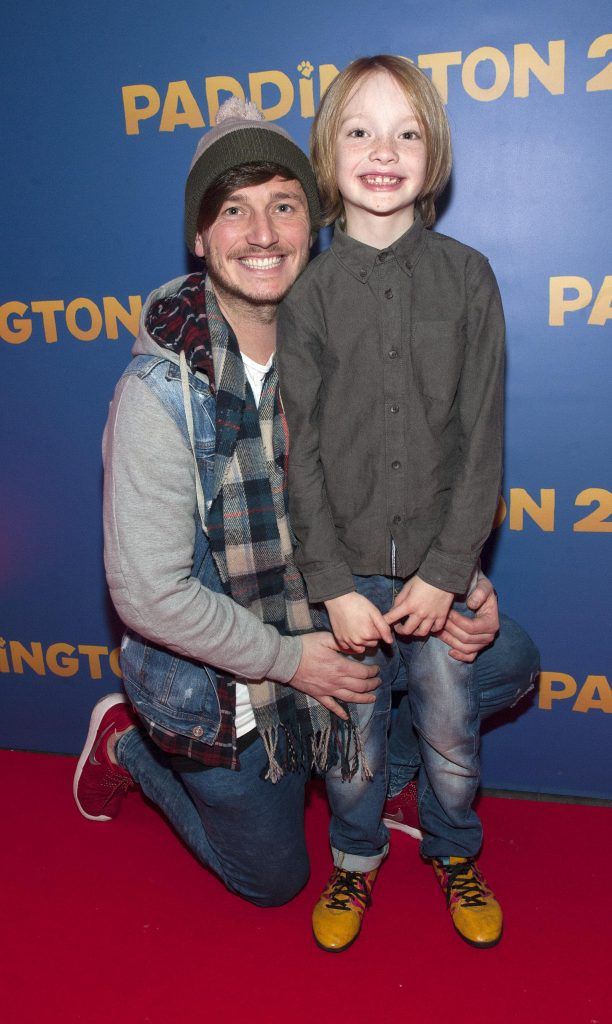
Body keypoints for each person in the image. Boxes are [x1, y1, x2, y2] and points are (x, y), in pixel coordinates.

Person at [73, 94, 537, 924]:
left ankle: (379, 777)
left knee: (500, 658)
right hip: (227, 677)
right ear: (200, 235)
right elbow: (147, 594)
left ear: (313, 222)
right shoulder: (159, 394)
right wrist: (291, 663)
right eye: (233, 210)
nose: (261, 233)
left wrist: (458, 571)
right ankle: (133, 748)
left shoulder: (341, 329)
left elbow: (422, 464)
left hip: (347, 605)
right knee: (274, 881)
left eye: (283, 206)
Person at [277, 54, 518, 951]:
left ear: (435, 152)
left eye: (407, 132)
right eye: (361, 131)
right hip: (341, 584)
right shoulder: (306, 294)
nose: (385, 151)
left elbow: (482, 441)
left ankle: (456, 852)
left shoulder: (469, 277)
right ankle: (355, 861)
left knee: (453, 735)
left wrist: (448, 572)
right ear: (328, 154)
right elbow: (297, 456)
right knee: (353, 750)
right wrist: (332, 584)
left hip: (434, 575)